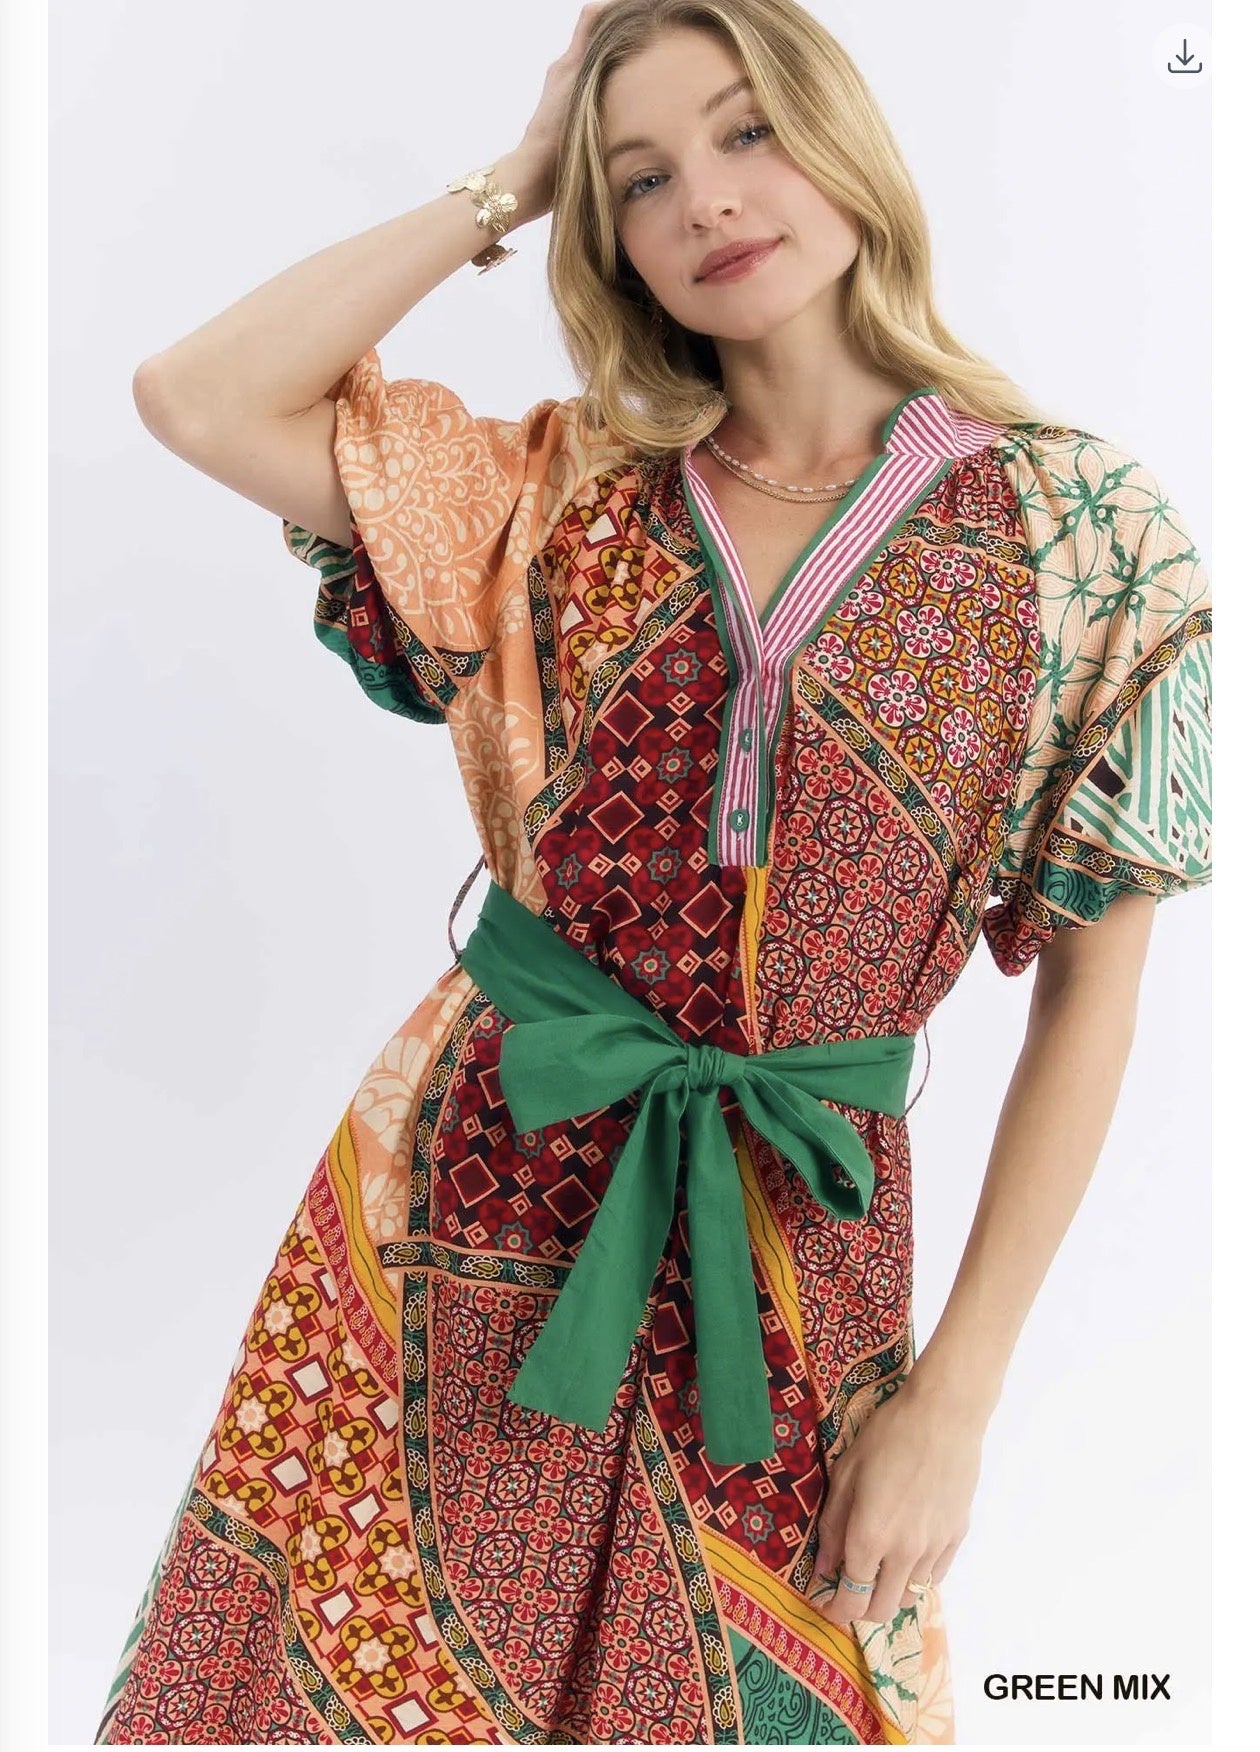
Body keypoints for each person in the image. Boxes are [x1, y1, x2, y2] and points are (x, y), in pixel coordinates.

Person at [99, 0, 1212, 1743]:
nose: (707, 199)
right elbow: (199, 394)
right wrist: (518, 174)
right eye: (641, 178)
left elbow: (1095, 995)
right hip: (468, 1198)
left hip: (800, 1250)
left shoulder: (1091, 541)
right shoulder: (555, 495)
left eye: (748, 130)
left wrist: (957, 1402)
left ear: (842, 136)